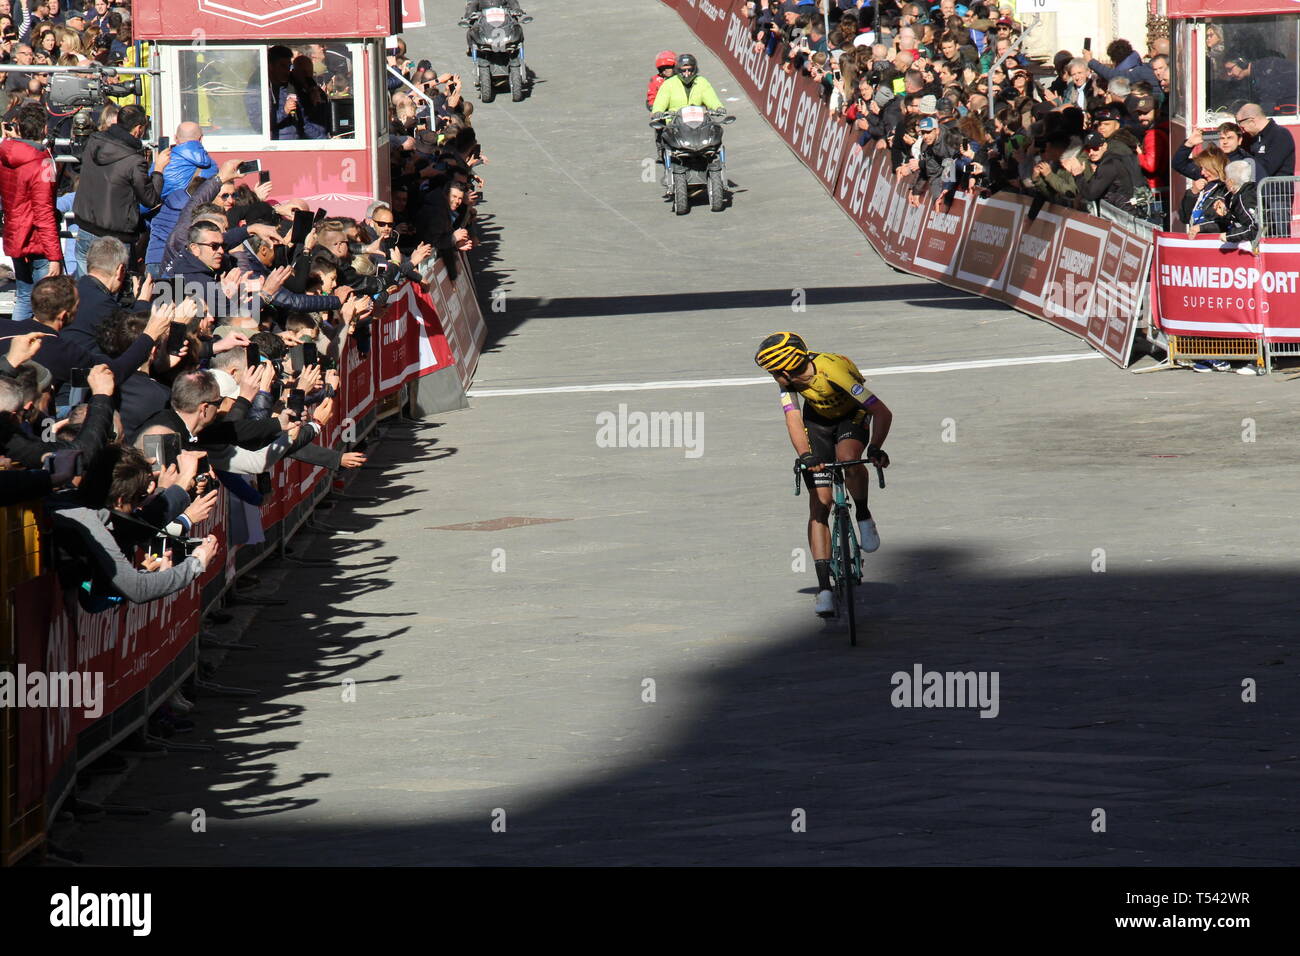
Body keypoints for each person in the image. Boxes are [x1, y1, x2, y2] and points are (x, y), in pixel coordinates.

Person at [754, 332, 892, 618]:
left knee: (847, 458)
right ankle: (825, 589)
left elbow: (881, 411)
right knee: (820, 504)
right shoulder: (788, 385)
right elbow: (793, 420)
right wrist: (807, 456)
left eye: (773, 372)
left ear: (786, 369)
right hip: (817, 423)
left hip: (851, 416)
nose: (772, 377)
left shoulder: (833, 370)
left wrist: (876, 446)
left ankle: (864, 515)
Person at [72, 104, 169, 272]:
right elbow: (150, 199)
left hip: (86, 227)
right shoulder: (134, 161)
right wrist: (159, 170)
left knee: (87, 291)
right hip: (114, 238)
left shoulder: (94, 140)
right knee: (111, 291)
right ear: (138, 129)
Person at [0, 100, 62, 321]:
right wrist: (55, 256)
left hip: (15, 235)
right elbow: (44, 213)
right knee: (46, 304)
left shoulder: (6, 154)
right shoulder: (41, 163)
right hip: (37, 241)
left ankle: (12, 349)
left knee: (25, 296)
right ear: (44, 128)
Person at [1236, 102, 1294, 237]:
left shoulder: (1280, 135)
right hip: (1257, 197)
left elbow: (1268, 166)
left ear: (1252, 120)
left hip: (1277, 197)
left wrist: (1247, 159)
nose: (1243, 130)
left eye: (1242, 126)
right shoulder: (1252, 139)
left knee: (1279, 236)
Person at [1224, 56, 1298, 117]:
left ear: (1242, 63)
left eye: (1230, 69)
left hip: (1290, 112)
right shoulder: (1251, 76)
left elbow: (1267, 106)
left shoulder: (1264, 72)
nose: (1229, 74)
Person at [1206, 159, 1259, 244]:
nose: (1224, 181)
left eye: (1226, 178)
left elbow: (1255, 228)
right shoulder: (1238, 195)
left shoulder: (1245, 198)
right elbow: (1237, 219)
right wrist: (1226, 214)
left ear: (1231, 181)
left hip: (1258, 248)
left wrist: (1229, 236)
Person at [1181, 148, 1231, 234]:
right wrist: (1193, 193)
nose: (1203, 173)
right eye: (1201, 168)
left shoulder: (1225, 190)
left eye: (1206, 169)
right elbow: (1184, 218)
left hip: (1216, 242)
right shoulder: (1203, 187)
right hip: (1198, 241)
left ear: (1215, 167)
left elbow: (1224, 222)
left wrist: (1201, 228)